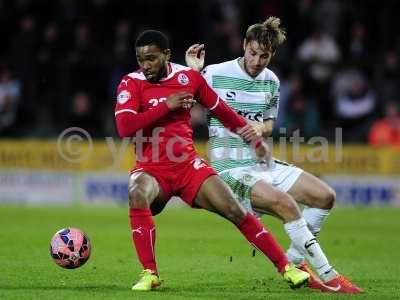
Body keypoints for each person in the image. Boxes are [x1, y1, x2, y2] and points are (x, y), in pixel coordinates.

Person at [114, 30, 310, 292]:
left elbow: (222, 110)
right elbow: (125, 127)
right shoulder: (131, 83)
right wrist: (166, 106)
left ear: (166, 55)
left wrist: (254, 140)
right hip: (152, 169)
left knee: (234, 210)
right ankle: (150, 273)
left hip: (188, 167)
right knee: (136, 192)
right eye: (140, 59)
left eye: (151, 58)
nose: (145, 65)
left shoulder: (188, 78)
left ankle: (287, 268)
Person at [185, 17, 362, 294]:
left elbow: (269, 123)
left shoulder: (272, 82)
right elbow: (183, 101)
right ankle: (329, 276)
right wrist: (193, 73)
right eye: (252, 53)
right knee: (287, 204)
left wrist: (261, 127)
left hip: (261, 164)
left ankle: (296, 260)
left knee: (325, 196)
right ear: (244, 45)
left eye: (263, 56)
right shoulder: (215, 73)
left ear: (272, 54)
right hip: (229, 169)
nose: (256, 61)